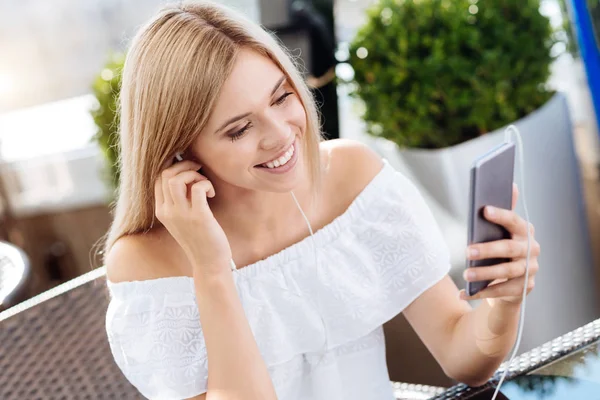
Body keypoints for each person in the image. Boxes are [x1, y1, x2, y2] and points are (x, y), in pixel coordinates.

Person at [103, 2, 541, 399]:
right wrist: (211, 269)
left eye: (281, 97)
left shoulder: (351, 178)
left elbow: (462, 356)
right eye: (239, 129)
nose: (280, 135)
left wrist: (504, 301)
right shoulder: (146, 263)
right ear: (180, 150)